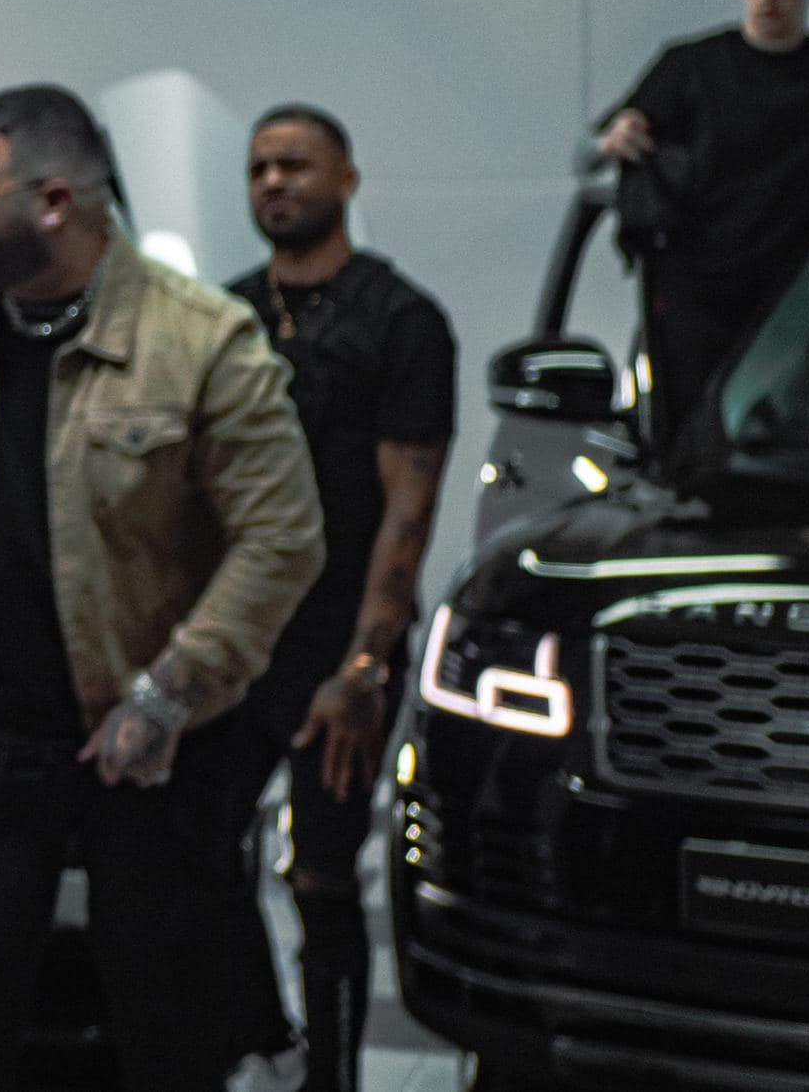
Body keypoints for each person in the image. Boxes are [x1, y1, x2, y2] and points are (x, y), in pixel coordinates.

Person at [0, 84, 325, 1092]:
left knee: (167, 1024)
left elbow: (282, 538)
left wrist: (169, 692)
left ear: (52, 201)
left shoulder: (203, 340)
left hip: (150, 748)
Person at [223, 105, 456, 1092]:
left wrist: (363, 665)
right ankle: (257, 1036)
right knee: (190, 853)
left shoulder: (401, 320)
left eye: (295, 165)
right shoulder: (223, 316)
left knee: (321, 880)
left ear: (347, 181)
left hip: (337, 640)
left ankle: (331, 1079)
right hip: (235, 637)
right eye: (258, 167)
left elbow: (407, 511)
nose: (274, 182)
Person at [595, 0, 809, 455]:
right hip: (698, 297)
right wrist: (617, 135)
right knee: (692, 447)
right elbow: (593, 148)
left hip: (793, 305)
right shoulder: (691, 67)